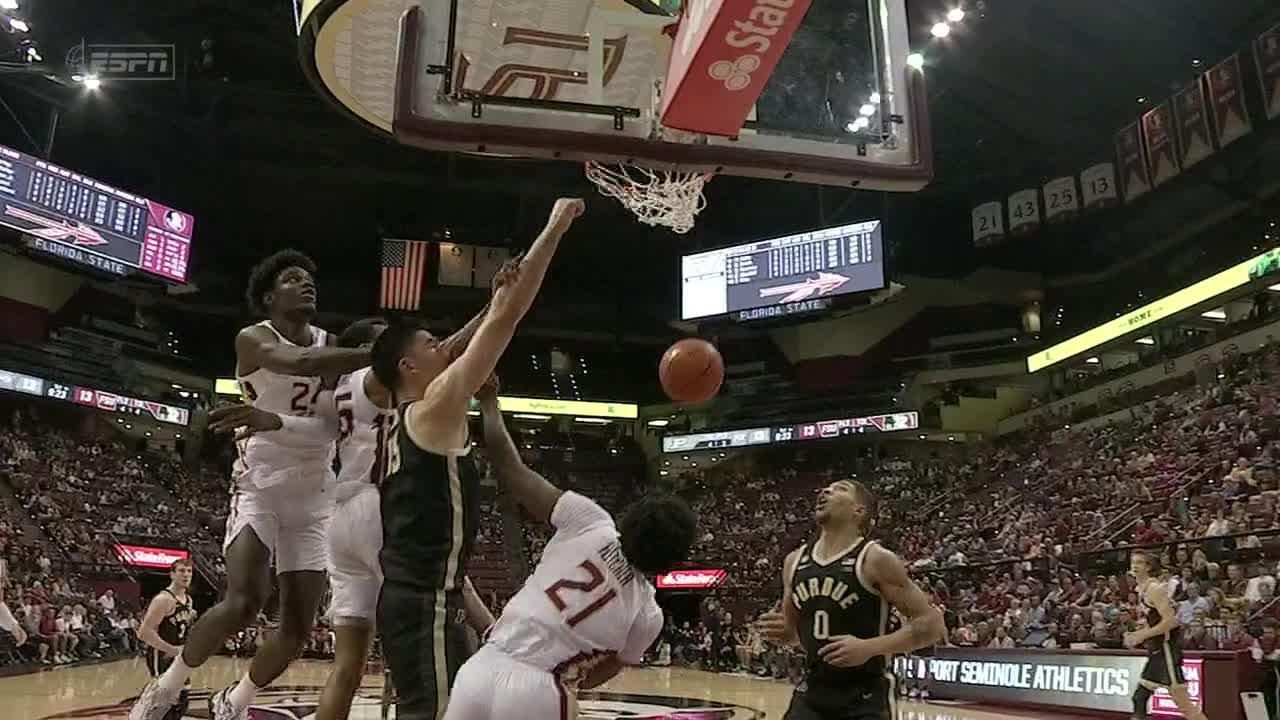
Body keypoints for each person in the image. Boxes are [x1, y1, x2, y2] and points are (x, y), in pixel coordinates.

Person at [208, 317, 496, 720]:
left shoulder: (333, 395)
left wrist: (272, 420)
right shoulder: (372, 379)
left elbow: (316, 431)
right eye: (382, 337)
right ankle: (494, 633)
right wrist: (493, 307)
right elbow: (447, 351)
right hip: (377, 506)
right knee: (439, 588)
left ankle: (489, 631)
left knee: (348, 667)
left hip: (340, 521)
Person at [130, 249, 373, 720]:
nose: (307, 284)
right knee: (243, 602)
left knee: (299, 628)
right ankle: (166, 685)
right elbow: (297, 362)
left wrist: (270, 418)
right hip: (259, 485)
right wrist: (377, 353)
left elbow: (328, 429)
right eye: (293, 278)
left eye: (310, 278)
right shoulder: (253, 339)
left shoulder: (331, 343)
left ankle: (234, 701)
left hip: (316, 493)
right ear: (268, 296)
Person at [372, 198, 583, 720]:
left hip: (425, 600)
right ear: (409, 365)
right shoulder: (435, 405)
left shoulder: (408, 421)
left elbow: (485, 323)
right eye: (430, 343)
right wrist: (554, 225)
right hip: (422, 608)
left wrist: (492, 301)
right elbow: (509, 318)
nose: (442, 344)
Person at [443, 377, 696, 720]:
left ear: (632, 518)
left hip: (480, 667)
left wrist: (489, 403)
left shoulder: (591, 521)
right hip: (541, 688)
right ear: (671, 560)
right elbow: (603, 673)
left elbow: (512, 471)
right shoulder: (648, 615)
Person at [756, 480, 944, 720]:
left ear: (859, 511)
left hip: (864, 695)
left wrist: (869, 648)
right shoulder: (794, 561)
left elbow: (932, 625)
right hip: (812, 691)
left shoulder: (875, 559)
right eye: (825, 488)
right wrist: (783, 634)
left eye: (840, 489)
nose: (825, 491)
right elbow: (796, 637)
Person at [1124, 551, 1211, 720]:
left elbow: (1171, 622)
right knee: (1139, 698)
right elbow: (1155, 620)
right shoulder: (1142, 589)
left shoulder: (1155, 589)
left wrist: (1143, 636)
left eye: (1140, 562)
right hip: (1157, 650)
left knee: (1184, 705)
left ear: (1149, 567)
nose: (1135, 566)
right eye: (1133, 562)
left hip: (1167, 650)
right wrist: (1138, 632)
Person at [137, 560, 199, 720]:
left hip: (180, 655)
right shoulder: (163, 600)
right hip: (162, 655)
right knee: (166, 703)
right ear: (172, 574)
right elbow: (143, 633)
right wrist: (172, 650)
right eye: (181, 571)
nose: (186, 575)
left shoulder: (188, 600)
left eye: (189, 571)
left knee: (182, 699)